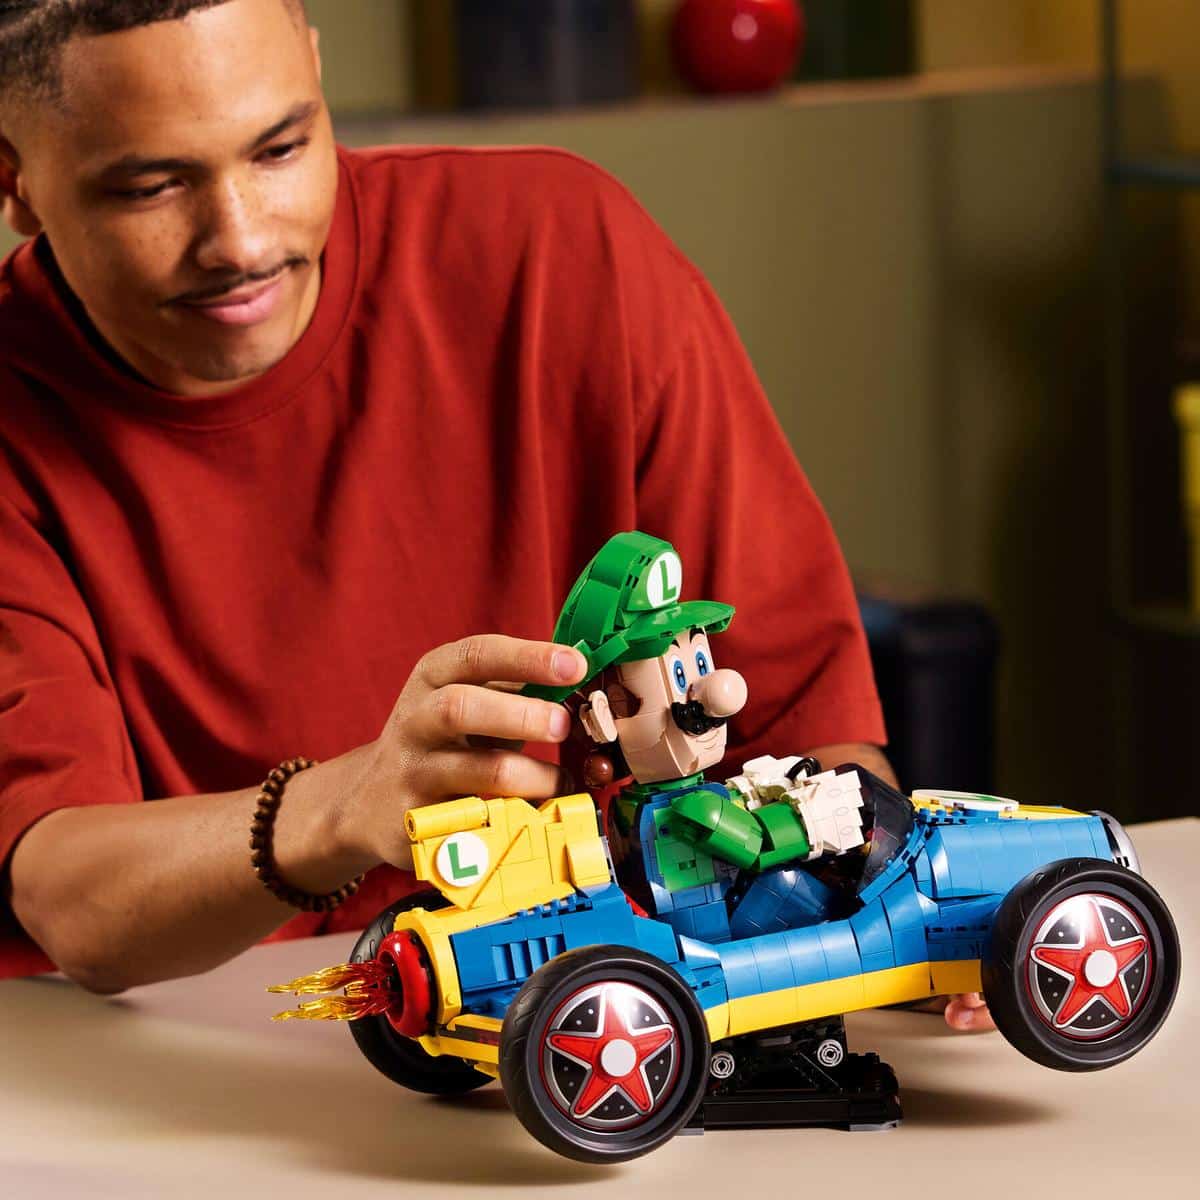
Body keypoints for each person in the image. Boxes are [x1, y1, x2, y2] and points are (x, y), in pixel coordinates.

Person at [0, 0, 990, 1032]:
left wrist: (896, 918)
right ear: (14, 181)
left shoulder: (567, 249)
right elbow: (72, 901)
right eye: (152, 187)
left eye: (282, 147)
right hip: (159, 1062)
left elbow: (809, 746)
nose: (242, 240)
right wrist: (345, 808)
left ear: (316, 72)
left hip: (599, 1027)